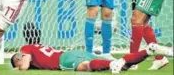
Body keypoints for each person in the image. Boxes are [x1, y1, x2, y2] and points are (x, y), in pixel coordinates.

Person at [10, 43, 173, 74]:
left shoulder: (25, 49)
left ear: (17, 58)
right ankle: (148, 50)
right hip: (71, 53)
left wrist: (17, 67)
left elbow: (24, 67)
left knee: (87, 66)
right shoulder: (37, 47)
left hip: (64, 60)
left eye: (16, 61)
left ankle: (114, 63)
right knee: (120, 66)